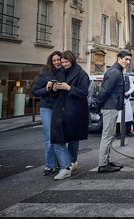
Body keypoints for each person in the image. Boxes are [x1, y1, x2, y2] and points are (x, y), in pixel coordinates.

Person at [50, 51, 90, 180]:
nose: (64, 64)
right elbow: (55, 95)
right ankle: (67, 165)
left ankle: (69, 164)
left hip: (74, 111)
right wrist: (54, 89)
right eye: (62, 62)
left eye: (66, 62)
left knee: (72, 138)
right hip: (60, 111)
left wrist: (69, 88)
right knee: (57, 139)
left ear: (72, 61)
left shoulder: (82, 74)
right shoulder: (60, 73)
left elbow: (84, 92)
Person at [96, 50, 132, 173]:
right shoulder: (114, 72)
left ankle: (106, 161)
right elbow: (104, 91)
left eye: (129, 60)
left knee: (109, 135)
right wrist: (98, 105)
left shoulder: (116, 71)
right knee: (107, 136)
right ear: (119, 58)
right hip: (109, 107)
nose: (127, 62)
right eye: (126, 59)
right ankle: (103, 164)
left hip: (112, 106)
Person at [31, 50, 62, 176]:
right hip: (47, 108)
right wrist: (47, 88)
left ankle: (62, 163)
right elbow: (35, 91)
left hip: (60, 108)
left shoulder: (65, 73)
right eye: (54, 60)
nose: (56, 62)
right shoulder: (44, 73)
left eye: (58, 59)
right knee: (49, 138)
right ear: (51, 61)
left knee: (60, 137)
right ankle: (50, 165)